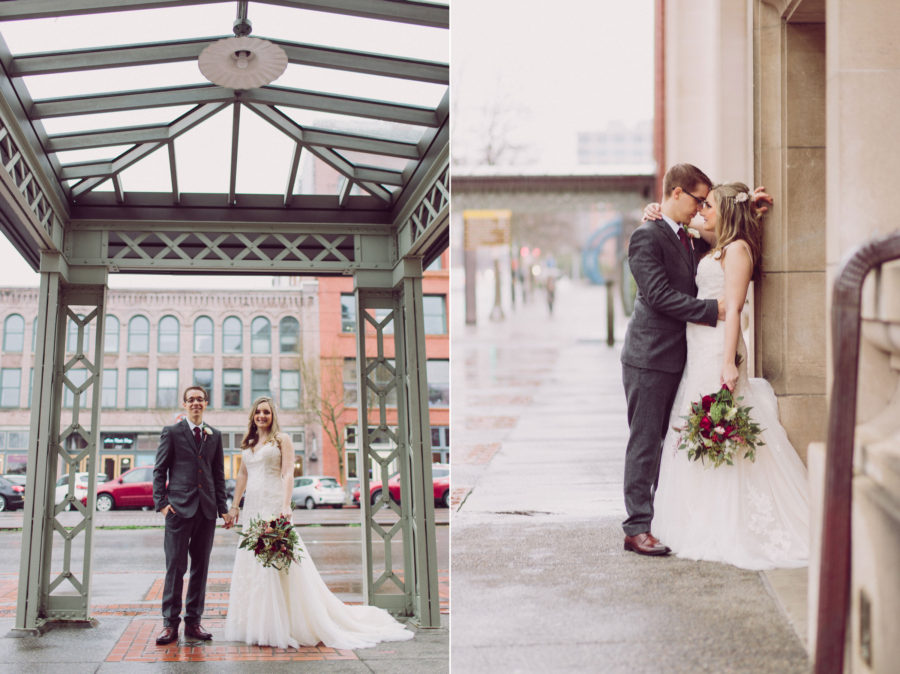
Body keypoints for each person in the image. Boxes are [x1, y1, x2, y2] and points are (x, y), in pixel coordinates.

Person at [652, 183, 809, 569]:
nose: (702, 210)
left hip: (717, 351)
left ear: (725, 211)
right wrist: (652, 212)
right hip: (699, 350)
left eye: (709, 205)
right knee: (700, 427)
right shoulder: (719, 242)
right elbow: (681, 227)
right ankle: (699, 517)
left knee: (722, 428)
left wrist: (728, 362)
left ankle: (729, 521)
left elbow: (735, 309)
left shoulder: (737, 250)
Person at [223, 396, 414, 649]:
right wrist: (235, 505)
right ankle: (257, 623)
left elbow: (288, 471)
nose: (261, 416)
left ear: (273, 416)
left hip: (272, 504)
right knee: (254, 562)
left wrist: (285, 506)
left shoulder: (282, 440)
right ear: (252, 415)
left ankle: (285, 623)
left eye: (266, 412)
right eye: (258, 412)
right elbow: (242, 473)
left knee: (279, 562)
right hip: (253, 508)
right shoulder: (247, 443)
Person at [619, 163, 724, 556]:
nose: (700, 209)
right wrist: (714, 310)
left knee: (669, 444)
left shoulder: (687, 238)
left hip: (680, 357)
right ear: (676, 193)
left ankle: (658, 518)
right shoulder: (646, 236)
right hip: (648, 358)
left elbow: (723, 236)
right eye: (697, 200)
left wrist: (750, 206)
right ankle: (636, 529)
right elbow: (659, 296)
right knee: (644, 443)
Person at [153, 384, 231, 645]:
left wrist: (223, 509)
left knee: (201, 568)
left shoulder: (215, 435)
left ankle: (193, 622)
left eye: (200, 399)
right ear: (184, 404)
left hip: (206, 511)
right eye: (191, 399)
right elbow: (159, 470)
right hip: (178, 510)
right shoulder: (172, 432)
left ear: (206, 403)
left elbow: (218, 475)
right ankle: (169, 624)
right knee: (175, 568)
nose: (196, 403)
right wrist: (162, 503)